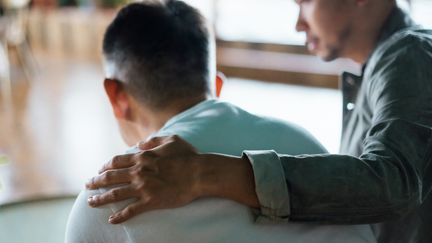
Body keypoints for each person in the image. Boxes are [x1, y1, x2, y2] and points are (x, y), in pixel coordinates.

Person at [86, 0, 432, 242]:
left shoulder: (409, 53)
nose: (298, 22)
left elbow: (394, 183)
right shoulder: (384, 67)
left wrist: (200, 173)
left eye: (305, 1)